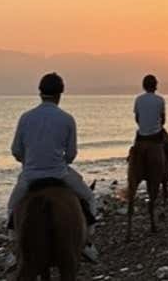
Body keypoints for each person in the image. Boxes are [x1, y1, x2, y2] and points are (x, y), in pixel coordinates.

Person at [5, 73, 99, 268]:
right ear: (60, 93)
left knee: (12, 207)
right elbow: (71, 154)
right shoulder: (67, 119)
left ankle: (15, 250)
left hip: (30, 176)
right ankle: (86, 243)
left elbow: (16, 151)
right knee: (89, 198)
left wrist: (28, 162)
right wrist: (58, 161)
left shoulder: (26, 117)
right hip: (60, 174)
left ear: (40, 92)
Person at [134, 74, 168, 176]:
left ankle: (131, 162)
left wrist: (144, 126)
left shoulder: (138, 99)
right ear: (155, 85)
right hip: (156, 134)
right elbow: (163, 120)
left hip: (141, 134)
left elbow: (137, 119)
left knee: (135, 147)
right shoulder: (160, 100)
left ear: (144, 86)